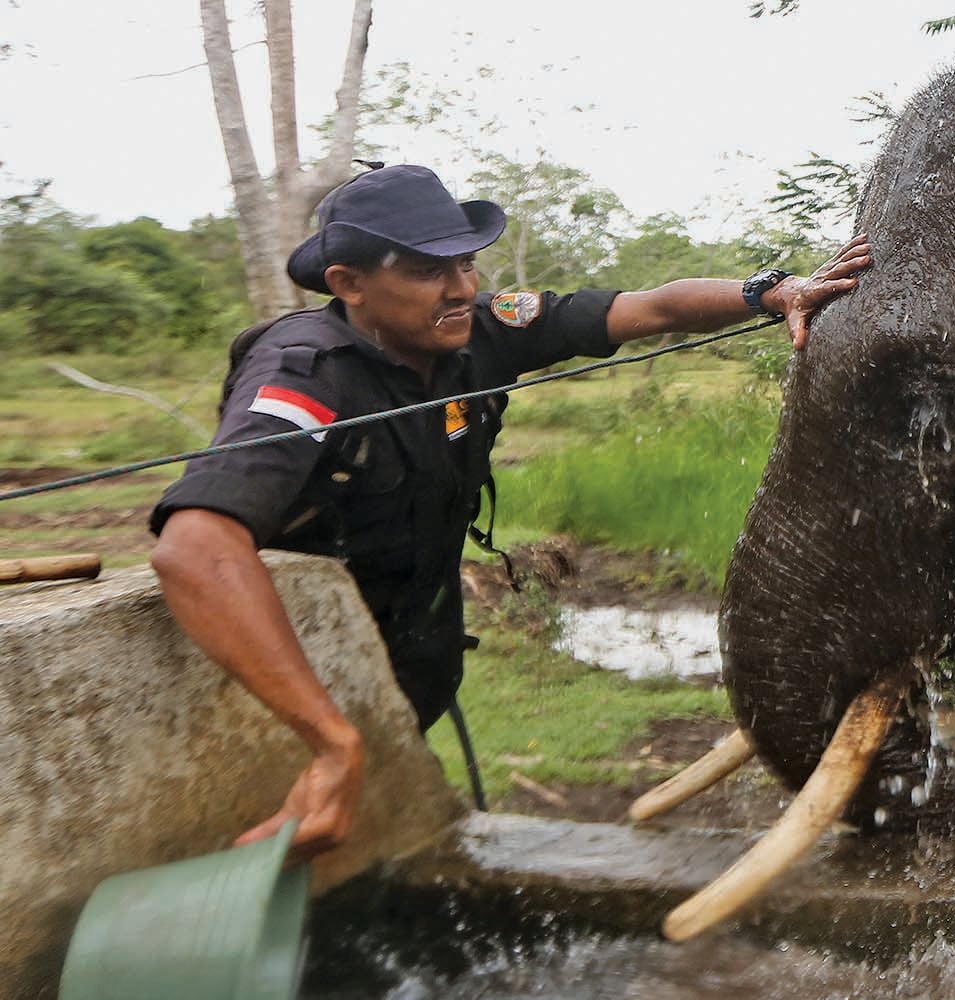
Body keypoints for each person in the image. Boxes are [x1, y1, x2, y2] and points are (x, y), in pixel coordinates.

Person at [149, 164, 869, 860]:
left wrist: (771, 291)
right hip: (288, 685)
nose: (462, 288)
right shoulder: (304, 371)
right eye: (427, 270)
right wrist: (330, 739)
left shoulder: (480, 329)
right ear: (349, 284)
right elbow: (196, 548)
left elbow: (651, 307)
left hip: (410, 660)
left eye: (466, 263)